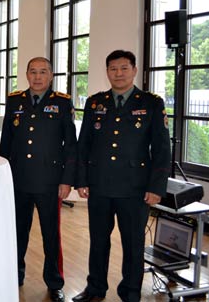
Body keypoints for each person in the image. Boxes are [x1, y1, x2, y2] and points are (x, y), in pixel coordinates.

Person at [73, 50, 170, 302]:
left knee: (133, 244)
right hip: (99, 185)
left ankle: (131, 292)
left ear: (134, 70)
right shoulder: (95, 103)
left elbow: (161, 149)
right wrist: (81, 180)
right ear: (107, 72)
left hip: (135, 187)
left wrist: (156, 186)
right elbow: (84, 144)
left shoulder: (150, 103)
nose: (118, 73)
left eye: (124, 68)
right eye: (113, 69)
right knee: (98, 242)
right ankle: (95, 288)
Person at [0, 57, 76, 302]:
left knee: (50, 235)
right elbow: (6, 141)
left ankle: (54, 282)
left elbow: (70, 145)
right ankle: (15, 276)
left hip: (49, 181)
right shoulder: (15, 101)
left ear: (51, 75)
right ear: (26, 74)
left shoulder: (62, 102)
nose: (38, 76)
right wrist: (3, 174)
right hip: (19, 178)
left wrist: (66, 180)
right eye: (33, 71)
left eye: (43, 72)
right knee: (18, 231)